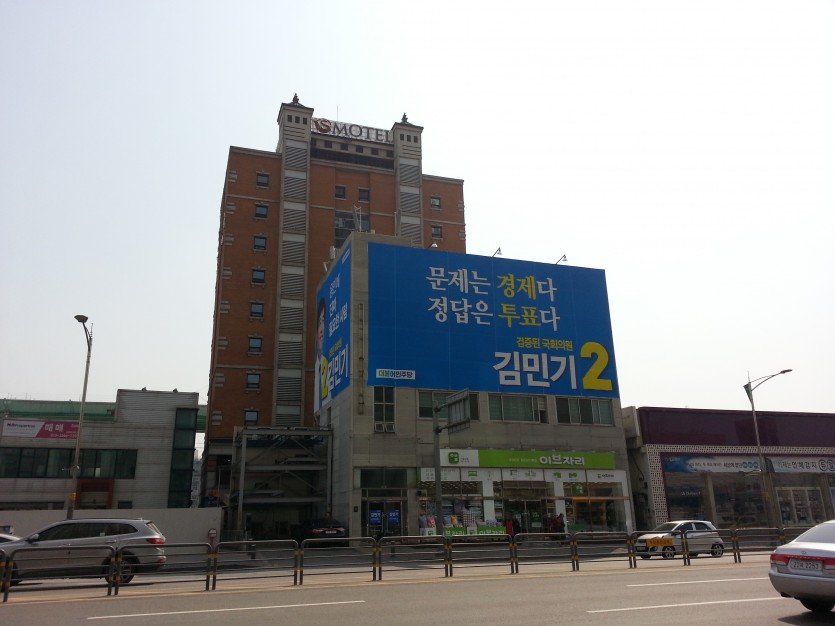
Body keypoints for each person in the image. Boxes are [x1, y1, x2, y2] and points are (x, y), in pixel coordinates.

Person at [313, 298, 332, 417]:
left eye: (324, 321)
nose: (321, 329)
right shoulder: (317, 366)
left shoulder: (328, 363)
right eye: (319, 323)